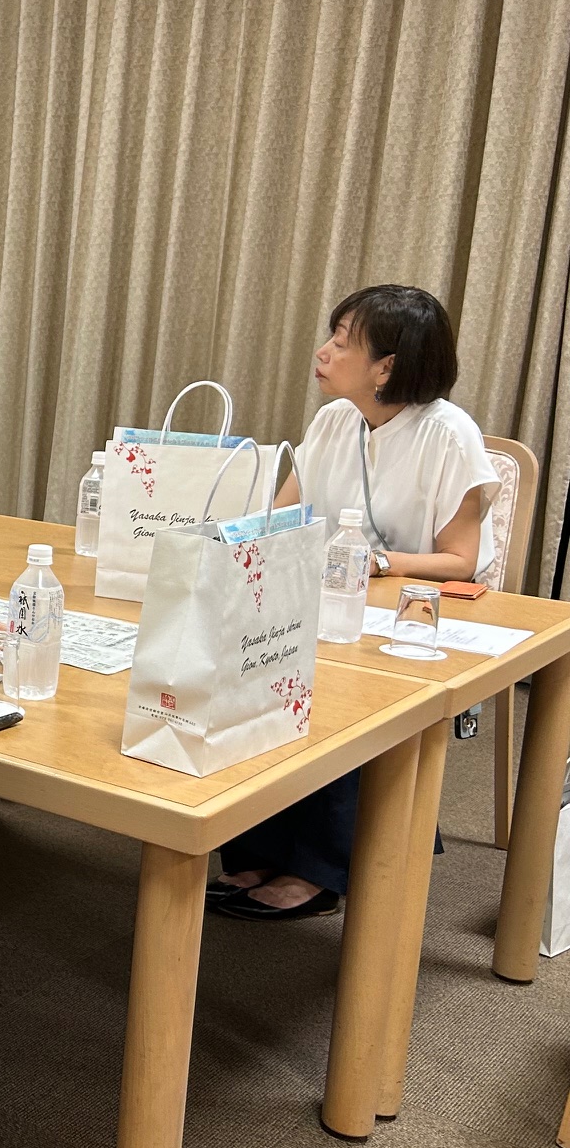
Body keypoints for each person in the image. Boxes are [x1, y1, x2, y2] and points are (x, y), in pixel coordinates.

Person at [213, 284, 499, 922]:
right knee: (254, 652)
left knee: (342, 684)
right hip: (323, 600)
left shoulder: (449, 435)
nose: (322, 352)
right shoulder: (333, 419)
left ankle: (321, 865)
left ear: (387, 365)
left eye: (342, 342)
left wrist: (372, 561)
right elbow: (282, 515)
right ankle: (259, 845)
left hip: (408, 618)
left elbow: (462, 560)